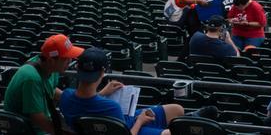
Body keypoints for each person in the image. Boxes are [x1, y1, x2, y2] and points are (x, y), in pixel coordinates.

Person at [60, 47, 189, 135]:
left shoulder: (66, 96)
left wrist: (103, 93)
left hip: (115, 124)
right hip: (128, 128)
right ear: (102, 72)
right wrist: (140, 121)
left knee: (177, 109)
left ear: (77, 68)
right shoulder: (111, 107)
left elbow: (85, 102)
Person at [3, 34, 83, 134]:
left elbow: (50, 89)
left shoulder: (49, 67)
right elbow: (38, 119)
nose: (70, 61)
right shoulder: (31, 78)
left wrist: (73, 100)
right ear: (51, 60)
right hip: (25, 129)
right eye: (66, 58)